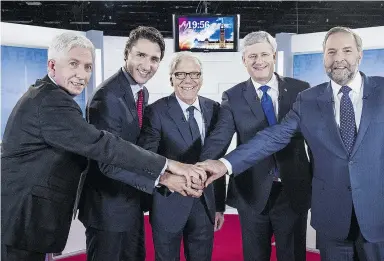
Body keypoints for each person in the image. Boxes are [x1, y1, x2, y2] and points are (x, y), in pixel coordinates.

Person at [1, 32, 205, 261]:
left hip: (121, 203)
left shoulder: (136, 93)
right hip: (39, 216)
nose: (82, 74)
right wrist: (167, 171)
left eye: (88, 67)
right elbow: (104, 147)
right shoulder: (66, 100)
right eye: (73, 64)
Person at [200, 26, 384, 261]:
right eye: (331, 52)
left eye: (347, 50)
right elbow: (273, 137)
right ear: (323, 57)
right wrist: (224, 164)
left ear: (360, 54)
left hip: (376, 215)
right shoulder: (309, 100)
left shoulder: (380, 91)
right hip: (330, 218)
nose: (339, 58)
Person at [199, 31, 312, 261]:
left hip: (293, 190)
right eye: (251, 56)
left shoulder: (301, 89)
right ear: (243, 60)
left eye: (263, 54)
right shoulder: (233, 96)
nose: (258, 61)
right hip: (251, 193)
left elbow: (316, 142)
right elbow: (219, 142)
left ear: (274, 55)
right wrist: (200, 170)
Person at [78, 26, 171, 261]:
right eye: (141, 55)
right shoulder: (107, 97)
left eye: (154, 59)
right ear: (127, 53)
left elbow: (134, 148)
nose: (147, 65)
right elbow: (108, 163)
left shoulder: (141, 93)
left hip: (131, 203)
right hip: (107, 209)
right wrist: (162, 177)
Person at [137, 52, 226, 261]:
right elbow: (147, 156)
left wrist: (219, 206)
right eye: (181, 74)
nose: (188, 80)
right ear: (171, 79)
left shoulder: (214, 109)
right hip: (168, 202)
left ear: (202, 78)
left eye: (194, 74)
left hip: (205, 205)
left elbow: (217, 159)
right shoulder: (156, 112)